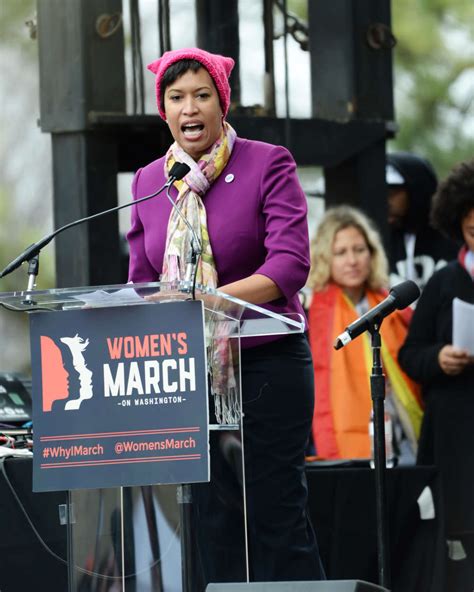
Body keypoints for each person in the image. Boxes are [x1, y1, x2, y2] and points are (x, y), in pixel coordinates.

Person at [126, 48, 324, 583]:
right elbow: (141, 278)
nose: (190, 108)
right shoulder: (148, 181)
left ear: (221, 103)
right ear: (163, 111)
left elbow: (290, 264)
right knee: (208, 518)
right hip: (185, 370)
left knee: (274, 513)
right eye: (177, 98)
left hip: (267, 362)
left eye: (201, 95)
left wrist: (210, 299)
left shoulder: (267, 162)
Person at [398, 159, 474, 588]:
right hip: (454, 434)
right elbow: (410, 354)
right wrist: (439, 358)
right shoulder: (445, 281)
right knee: (456, 535)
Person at [307, 205, 422, 461]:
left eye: (360, 250)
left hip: (398, 429)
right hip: (344, 437)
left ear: (372, 254)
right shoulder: (310, 312)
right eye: (341, 252)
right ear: (324, 257)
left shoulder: (392, 306)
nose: (352, 260)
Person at [386, 151, 458, 290]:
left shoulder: (454, 236)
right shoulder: (379, 239)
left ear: (417, 191)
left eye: (391, 193)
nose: (385, 202)